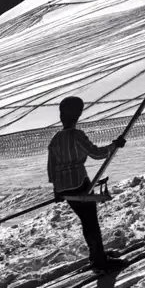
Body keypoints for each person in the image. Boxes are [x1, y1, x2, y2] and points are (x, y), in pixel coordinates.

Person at [47, 96, 127, 271]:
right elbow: (96, 154)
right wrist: (114, 146)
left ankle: (97, 255)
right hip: (79, 184)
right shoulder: (77, 135)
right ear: (77, 115)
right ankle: (99, 261)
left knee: (86, 221)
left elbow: (51, 169)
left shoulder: (54, 140)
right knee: (90, 221)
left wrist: (57, 191)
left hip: (64, 187)